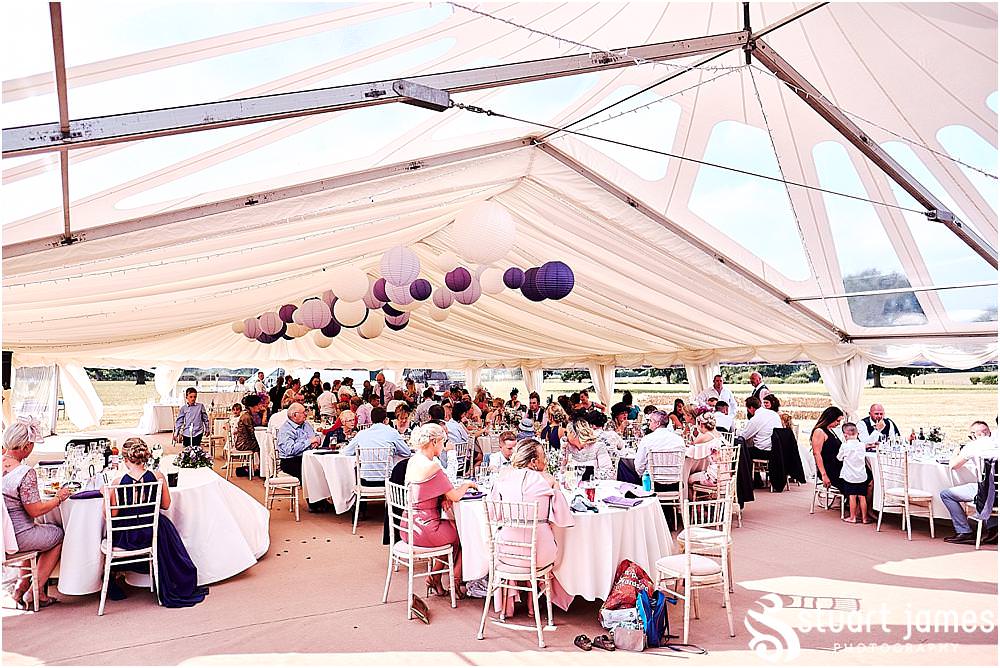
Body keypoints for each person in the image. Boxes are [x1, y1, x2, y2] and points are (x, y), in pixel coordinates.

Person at [103, 437, 208, 607]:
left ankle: (112, 577)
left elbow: (111, 515)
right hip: (152, 531)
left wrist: (105, 495)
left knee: (108, 534)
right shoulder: (158, 477)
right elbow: (166, 505)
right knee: (165, 529)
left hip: (128, 535)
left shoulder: (117, 482)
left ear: (125, 459)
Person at [488, 438, 574, 616]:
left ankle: (519, 601)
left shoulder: (502, 478)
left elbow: (494, 515)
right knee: (557, 545)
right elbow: (564, 518)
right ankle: (534, 601)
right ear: (534, 461)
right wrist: (556, 487)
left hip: (507, 554)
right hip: (539, 555)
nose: (546, 461)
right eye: (543, 457)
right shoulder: (547, 480)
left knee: (524, 538)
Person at [2, 418, 69, 609]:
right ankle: (35, 592)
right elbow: (35, 510)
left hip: (3, 534)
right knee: (57, 534)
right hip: (16, 536)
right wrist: (58, 498)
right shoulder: (24, 472)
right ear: (25, 447)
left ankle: (20, 587)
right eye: (31, 445)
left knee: (39, 531)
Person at [405, 423, 477, 597]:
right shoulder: (433, 467)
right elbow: (456, 496)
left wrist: (443, 496)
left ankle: (435, 578)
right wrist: (467, 484)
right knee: (464, 533)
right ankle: (455, 581)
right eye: (442, 442)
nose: (444, 446)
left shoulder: (414, 460)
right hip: (425, 529)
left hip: (408, 526)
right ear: (434, 442)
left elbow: (426, 490)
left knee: (453, 532)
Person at [941, 421, 998, 544]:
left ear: (973, 435)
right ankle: (994, 529)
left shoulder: (973, 446)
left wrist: (955, 453)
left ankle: (964, 531)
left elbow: (954, 465)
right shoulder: (996, 442)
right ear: (989, 432)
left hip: (986, 492)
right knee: (990, 486)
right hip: (996, 491)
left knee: (946, 494)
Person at [341, 407, 411, 492]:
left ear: (371, 419)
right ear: (385, 420)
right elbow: (407, 453)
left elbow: (346, 452)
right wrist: (394, 450)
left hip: (365, 481)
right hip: (387, 481)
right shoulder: (392, 433)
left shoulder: (362, 434)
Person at [623, 410, 685, 484]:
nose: (649, 423)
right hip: (676, 482)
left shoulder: (647, 439)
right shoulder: (679, 439)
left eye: (651, 421)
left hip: (652, 483)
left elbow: (639, 466)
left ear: (657, 424)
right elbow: (682, 462)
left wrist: (643, 476)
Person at [275, 403, 321, 483]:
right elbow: (289, 450)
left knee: (325, 466)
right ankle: (311, 490)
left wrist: (316, 440)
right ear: (294, 415)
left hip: (308, 456)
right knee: (314, 473)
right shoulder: (286, 430)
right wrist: (309, 442)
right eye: (303, 412)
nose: (306, 414)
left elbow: (315, 436)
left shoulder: (306, 424)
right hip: (291, 460)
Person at [836, 423, 870, 524]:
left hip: (850, 476)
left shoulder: (844, 446)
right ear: (857, 433)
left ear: (845, 435)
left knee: (852, 496)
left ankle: (853, 517)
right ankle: (865, 518)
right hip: (862, 476)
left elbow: (839, 458)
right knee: (862, 497)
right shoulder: (862, 445)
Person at [565, 414, 614, 481]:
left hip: (594, 484)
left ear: (573, 434)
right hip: (573, 485)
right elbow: (561, 470)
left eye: (566, 433)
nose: (565, 436)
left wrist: (588, 476)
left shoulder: (598, 447)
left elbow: (608, 472)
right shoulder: (568, 447)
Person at [810, 406, 846, 490]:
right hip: (830, 470)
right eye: (837, 421)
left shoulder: (830, 430)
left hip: (838, 466)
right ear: (830, 418)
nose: (839, 423)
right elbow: (816, 453)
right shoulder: (819, 431)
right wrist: (824, 475)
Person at [739, 396, 782, 461]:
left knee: (741, 452)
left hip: (765, 451)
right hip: (778, 450)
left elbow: (744, 436)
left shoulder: (755, 419)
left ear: (751, 408)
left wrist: (737, 432)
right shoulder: (774, 414)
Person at [687, 413, 723, 488]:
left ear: (701, 424)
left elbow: (692, 444)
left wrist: (699, 432)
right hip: (724, 475)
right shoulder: (719, 434)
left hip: (713, 477)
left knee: (688, 479)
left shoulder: (706, 436)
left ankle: (689, 496)